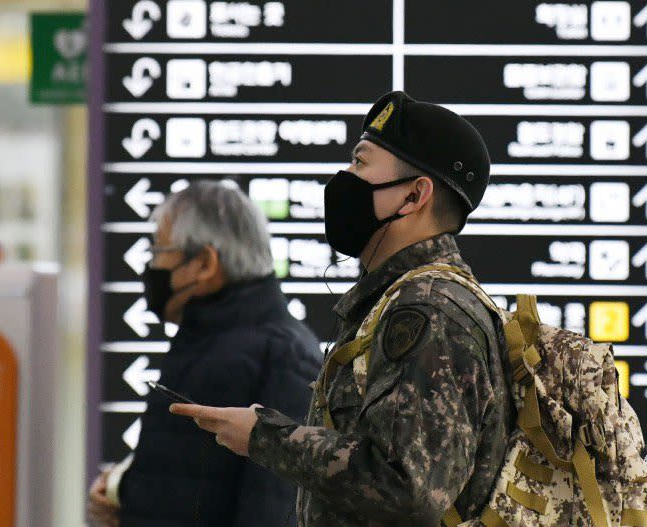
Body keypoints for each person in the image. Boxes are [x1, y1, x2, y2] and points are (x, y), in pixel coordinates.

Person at [169, 91, 514, 526]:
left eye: (361, 162)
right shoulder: (397, 300)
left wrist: (266, 437)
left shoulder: (431, 313)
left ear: (414, 196)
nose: (344, 178)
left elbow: (408, 488)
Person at [88, 181, 322, 527]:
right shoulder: (203, 339)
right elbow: (192, 475)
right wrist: (126, 489)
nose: (152, 268)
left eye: (159, 252)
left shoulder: (283, 355)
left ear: (204, 263)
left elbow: (273, 507)